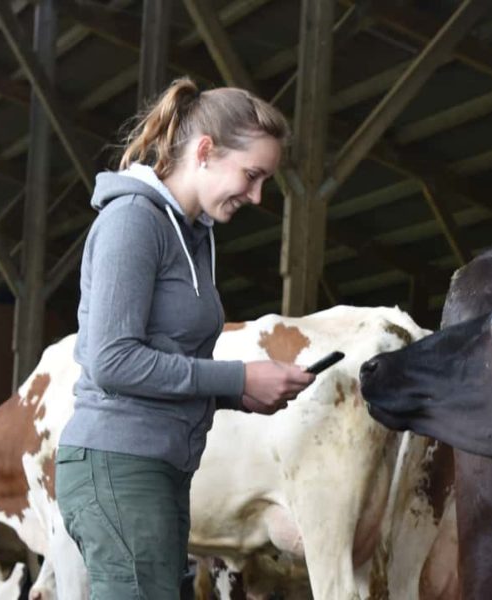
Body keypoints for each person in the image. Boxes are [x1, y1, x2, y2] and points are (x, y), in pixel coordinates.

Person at [55, 77, 315, 599]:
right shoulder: (132, 222)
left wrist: (237, 393)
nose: (258, 195)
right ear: (205, 151)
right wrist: (237, 374)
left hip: (160, 465)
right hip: (118, 461)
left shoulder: (191, 237)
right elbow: (112, 360)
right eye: (252, 175)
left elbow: (164, 358)